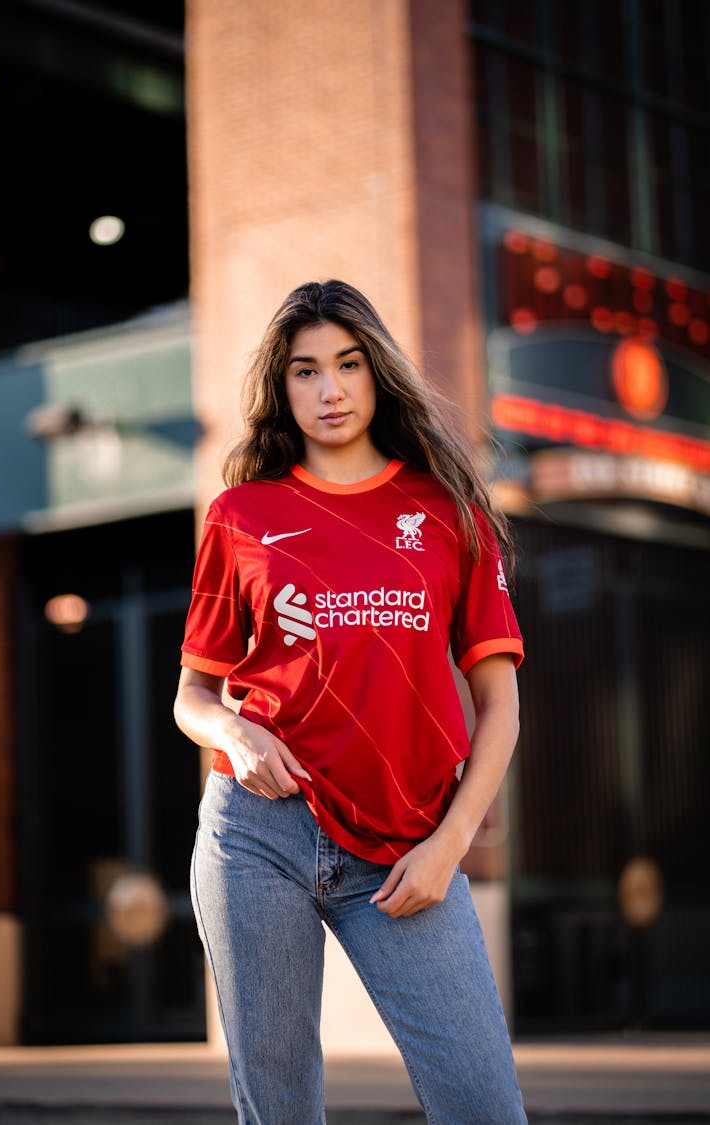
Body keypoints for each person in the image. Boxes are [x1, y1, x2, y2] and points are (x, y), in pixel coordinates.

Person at [174, 280, 528, 1124]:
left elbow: (501, 704)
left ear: (378, 375)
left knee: (483, 1104)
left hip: (408, 843)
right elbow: (191, 691)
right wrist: (232, 729)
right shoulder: (241, 517)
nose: (328, 390)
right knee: (282, 1108)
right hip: (258, 831)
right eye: (304, 371)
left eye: (348, 364)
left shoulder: (447, 512)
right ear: (281, 387)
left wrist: (451, 845)